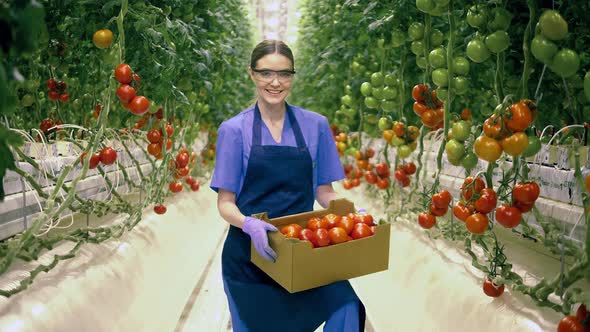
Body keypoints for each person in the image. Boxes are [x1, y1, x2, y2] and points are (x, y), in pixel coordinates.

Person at [210, 39, 366, 332]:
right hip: (250, 260)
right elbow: (225, 203)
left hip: (302, 253)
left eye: (284, 74)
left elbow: (323, 191)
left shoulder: (316, 125)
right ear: (252, 74)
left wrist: (349, 212)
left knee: (346, 304)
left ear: (293, 76)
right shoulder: (233, 130)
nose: (275, 82)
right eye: (266, 73)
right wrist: (248, 224)